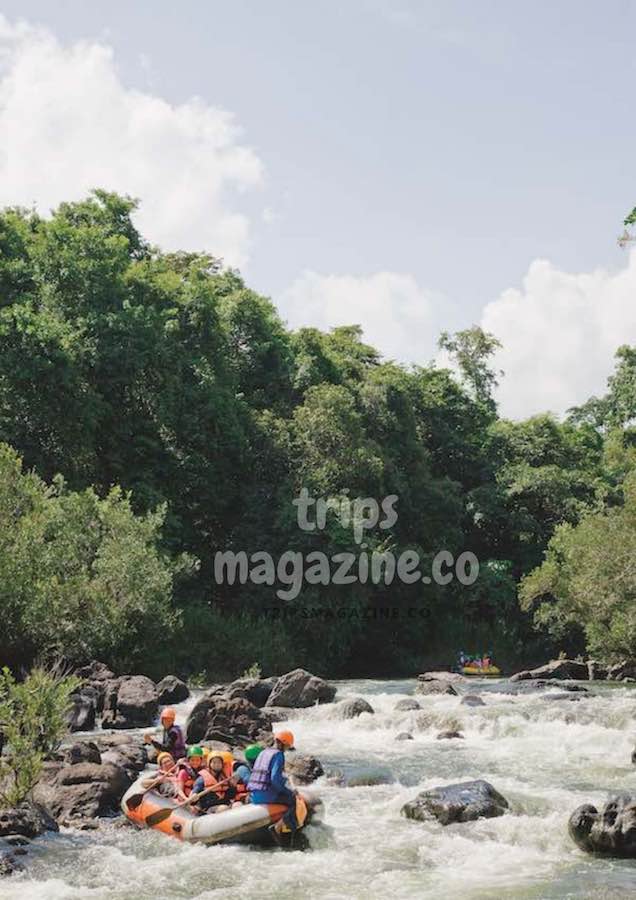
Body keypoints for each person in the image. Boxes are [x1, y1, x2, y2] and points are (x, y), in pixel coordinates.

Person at [247, 731, 297, 843]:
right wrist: (289, 792)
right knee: (293, 800)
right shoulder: (278, 755)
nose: (287, 749)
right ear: (283, 743)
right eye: (288, 746)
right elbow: (274, 779)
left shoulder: (263, 752)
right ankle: (278, 826)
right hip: (266, 795)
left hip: (253, 795)